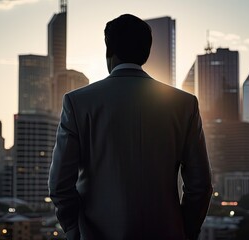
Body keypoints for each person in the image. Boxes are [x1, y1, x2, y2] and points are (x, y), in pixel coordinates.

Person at [48, 14, 213, 240]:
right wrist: (185, 230)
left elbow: (59, 184)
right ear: (146, 54)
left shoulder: (78, 103)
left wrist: (74, 230)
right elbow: (200, 185)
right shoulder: (184, 104)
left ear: (109, 52)